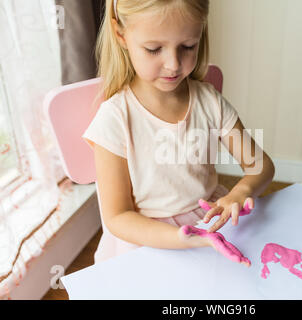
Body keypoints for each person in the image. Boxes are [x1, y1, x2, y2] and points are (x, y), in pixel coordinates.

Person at [82, 0, 275, 265]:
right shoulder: (115, 119)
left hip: (210, 224)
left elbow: (261, 165)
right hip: (147, 240)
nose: (173, 64)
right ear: (121, 35)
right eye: (153, 49)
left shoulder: (209, 101)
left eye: (187, 47)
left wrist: (242, 192)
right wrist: (183, 238)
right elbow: (118, 217)